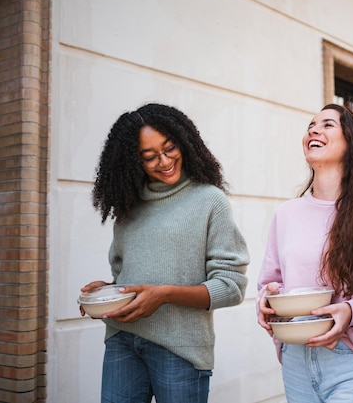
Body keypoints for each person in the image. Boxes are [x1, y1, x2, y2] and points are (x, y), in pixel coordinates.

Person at [80, 103, 249, 403]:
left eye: (170, 148)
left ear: (184, 142)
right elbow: (128, 278)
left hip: (180, 348)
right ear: (134, 162)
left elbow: (231, 287)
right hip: (122, 340)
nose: (164, 160)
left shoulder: (210, 201)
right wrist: (106, 291)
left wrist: (165, 295)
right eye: (149, 157)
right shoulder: (129, 209)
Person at [257, 104, 353, 403]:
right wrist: (267, 299)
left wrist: (351, 311)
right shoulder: (287, 213)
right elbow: (270, 282)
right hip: (296, 357)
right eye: (311, 125)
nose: (313, 130)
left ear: (351, 141)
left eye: (327, 125)